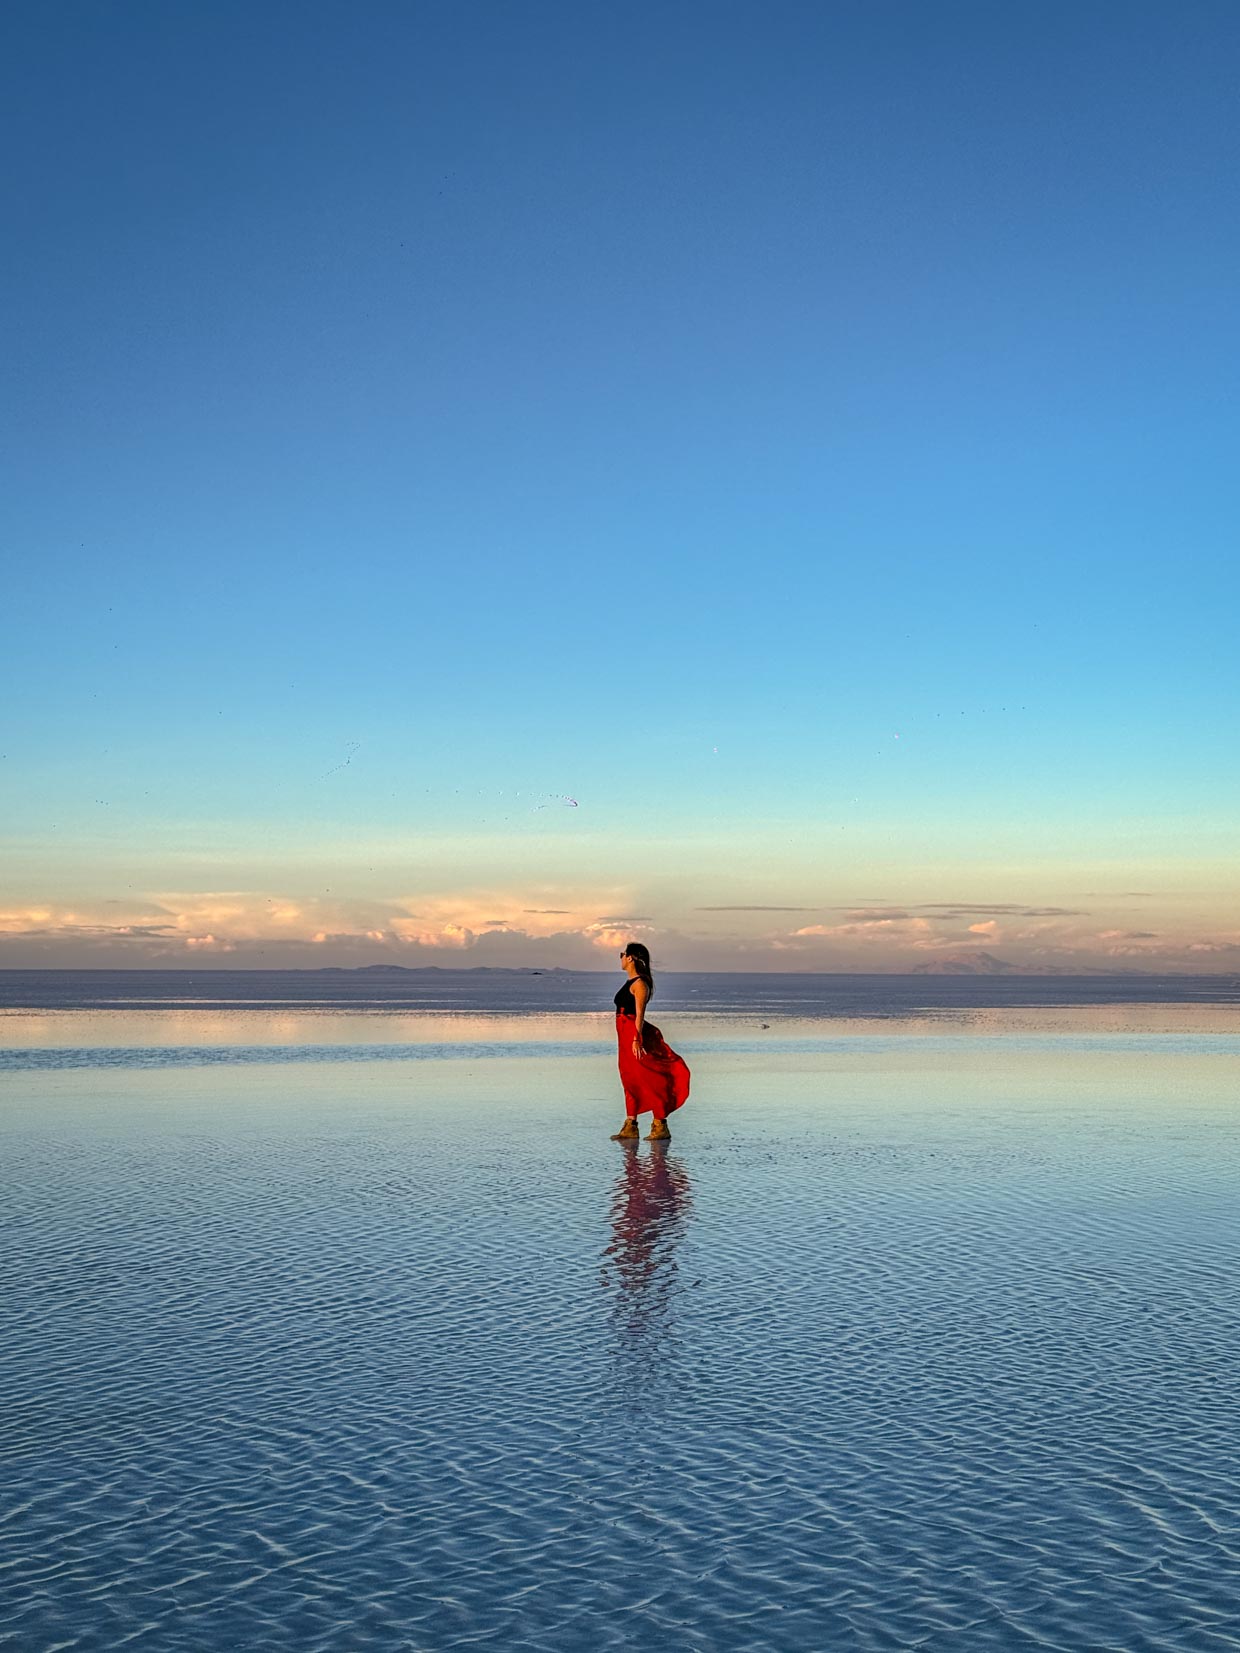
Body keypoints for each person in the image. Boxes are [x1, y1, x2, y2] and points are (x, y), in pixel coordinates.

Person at [609, 942, 690, 1141]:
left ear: (630, 958)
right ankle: (631, 1125)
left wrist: (637, 1039)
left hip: (632, 1034)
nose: (620, 958)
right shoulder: (630, 982)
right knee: (629, 1078)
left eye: (622, 954)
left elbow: (639, 1015)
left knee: (648, 1076)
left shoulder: (640, 984)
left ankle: (660, 1124)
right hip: (624, 1035)